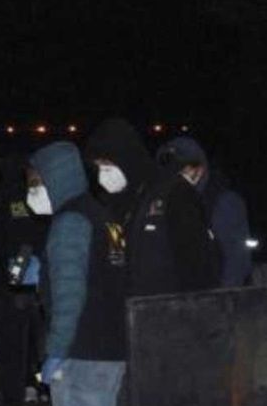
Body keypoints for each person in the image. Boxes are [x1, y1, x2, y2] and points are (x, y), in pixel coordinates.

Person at [26, 141, 130, 406]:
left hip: (82, 355)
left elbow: (70, 297)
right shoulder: (104, 217)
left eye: (36, 181)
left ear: (56, 176)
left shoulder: (70, 221)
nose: (33, 191)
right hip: (112, 349)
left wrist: (55, 353)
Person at [82, 118, 219, 296]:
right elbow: (115, 262)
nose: (103, 174)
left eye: (108, 166)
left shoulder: (173, 194)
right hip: (131, 308)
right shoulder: (113, 207)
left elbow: (198, 266)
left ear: (126, 160)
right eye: (99, 167)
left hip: (169, 307)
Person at [0, 154, 50, 406]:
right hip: (31, 290)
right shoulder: (30, 198)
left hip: (17, 291)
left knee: (19, 357)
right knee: (34, 353)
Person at [156, 136, 252, 288]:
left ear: (199, 169)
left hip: (214, 295)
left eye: (182, 169)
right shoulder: (162, 202)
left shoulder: (222, 202)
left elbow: (236, 258)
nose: (175, 177)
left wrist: (221, 296)